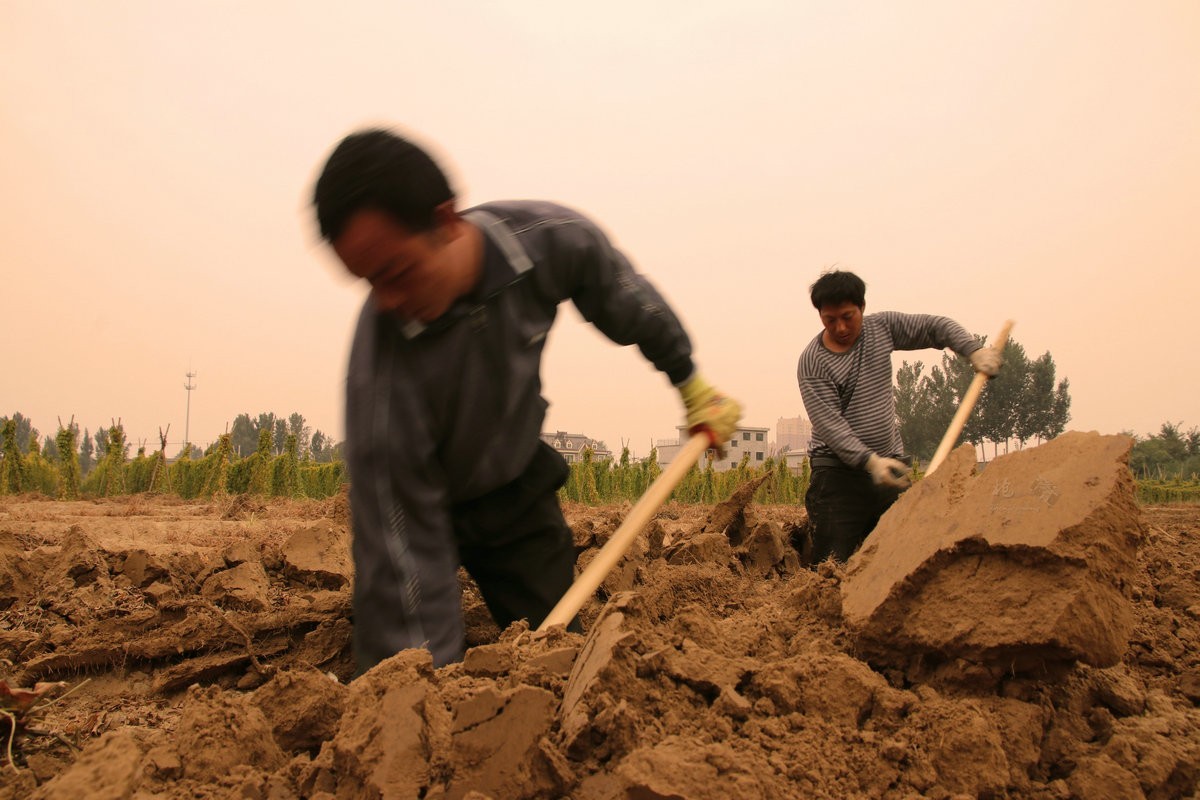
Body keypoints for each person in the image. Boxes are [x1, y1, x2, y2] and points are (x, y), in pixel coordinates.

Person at [312, 127, 742, 673]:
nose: (388, 302)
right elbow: (402, 555)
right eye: (369, 282)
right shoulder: (383, 380)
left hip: (513, 489)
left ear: (445, 221)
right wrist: (419, 693)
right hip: (424, 500)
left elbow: (621, 293)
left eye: (396, 273)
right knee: (412, 653)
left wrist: (688, 381)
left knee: (560, 657)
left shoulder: (545, 240)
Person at [796, 270, 1001, 564]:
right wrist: (868, 460)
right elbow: (830, 424)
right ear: (820, 316)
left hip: (890, 465)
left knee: (891, 556)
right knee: (831, 561)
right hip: (838, 474)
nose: (840, 327)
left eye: (848, 316)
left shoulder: (881, 328)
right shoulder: (814, 361)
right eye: (830, 320)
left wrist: (972, 350)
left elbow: (935, 327)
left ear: (862, 308)